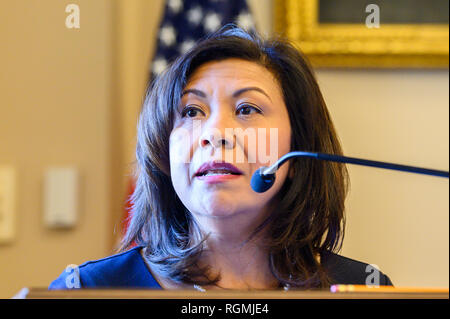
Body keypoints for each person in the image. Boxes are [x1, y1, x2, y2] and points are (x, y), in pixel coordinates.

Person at [49, 25, 393, 291]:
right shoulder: (89, 289)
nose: (215, 133)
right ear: (164, 154)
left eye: (247, 109)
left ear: (298, 148)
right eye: (192, 111)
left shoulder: (362, 287)